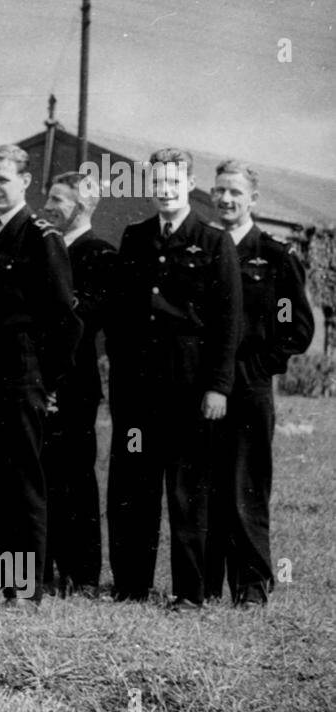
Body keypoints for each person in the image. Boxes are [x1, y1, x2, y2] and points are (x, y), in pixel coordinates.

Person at [107, 148, 242, 610]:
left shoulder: (212, 241)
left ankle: (190, 592)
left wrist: (218, 387)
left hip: (188, 389)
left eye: (173, 182)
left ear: (189, 184)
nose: (165, 190)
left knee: (188, 493)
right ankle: (129, 586)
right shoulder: (135, 237)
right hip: (138, 390)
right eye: (157, 182)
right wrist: (118, 379)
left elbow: (228, 323)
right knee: (133, 488)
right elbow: (122, 315)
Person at [0, 144, 81, 603]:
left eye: (3, 180)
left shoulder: (41, 236)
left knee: (23, 480)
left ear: (24, 182)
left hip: (22, 373)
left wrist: (48, 382)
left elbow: (65, 320)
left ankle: (25, 585)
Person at [206, 160, 313, 606]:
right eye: (220, 191)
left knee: (246, 485)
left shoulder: (273, 256)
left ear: (253, 199)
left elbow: (294, 325)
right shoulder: (204, 246)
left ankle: (251, 587)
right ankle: (205, 585)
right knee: (205, 486)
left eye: (236, 192)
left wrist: (259, 367)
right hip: (205, 386)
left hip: (248, 388)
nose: (226, 199)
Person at [40, 171, 118, 598]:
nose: (49, 206)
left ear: (84, 206)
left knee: (75, 477)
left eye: (59, 200)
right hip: (38, 379)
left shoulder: (100, 254)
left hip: (75, 383)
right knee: (42, 474)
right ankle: (45, 566)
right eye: (48, 198)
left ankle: (82, 573)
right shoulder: (40, 245)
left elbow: (86, 316)